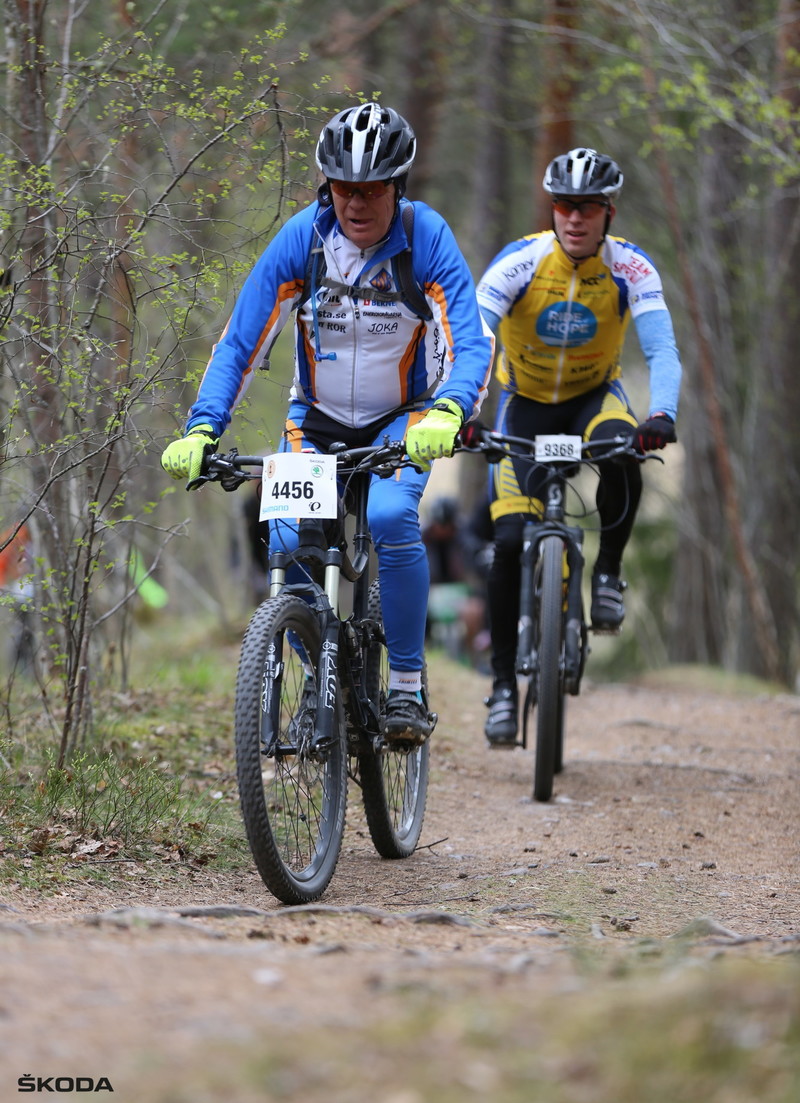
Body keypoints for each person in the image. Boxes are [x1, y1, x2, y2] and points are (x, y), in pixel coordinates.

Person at [161, 102, 494, 744]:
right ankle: (323, 669)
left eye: (370, 190)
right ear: (328, 186)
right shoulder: (302, 241)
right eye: (344, 189)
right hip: (314, 421)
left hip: (405, 418)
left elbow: (470, 343)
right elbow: (240, 343)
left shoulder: (425, 238)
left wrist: (450, 410)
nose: (356, 203)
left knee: (394, 517)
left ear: (397, 187)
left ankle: (404, 685)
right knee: (287, 538)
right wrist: (202, 427)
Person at [475, 146, 681, 745]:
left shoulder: (630, 267)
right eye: (564, 205)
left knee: (625, 450)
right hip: (525, 407)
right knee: (509, 543)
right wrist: (461, 410)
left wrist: (662, 412)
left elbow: (663, 349)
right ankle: (503, 689)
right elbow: (474, 336)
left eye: (587, 207)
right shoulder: (519, 262)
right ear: (554, 209)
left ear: (608, 212)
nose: (574, 218)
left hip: (595, 400)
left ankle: (608, 575)